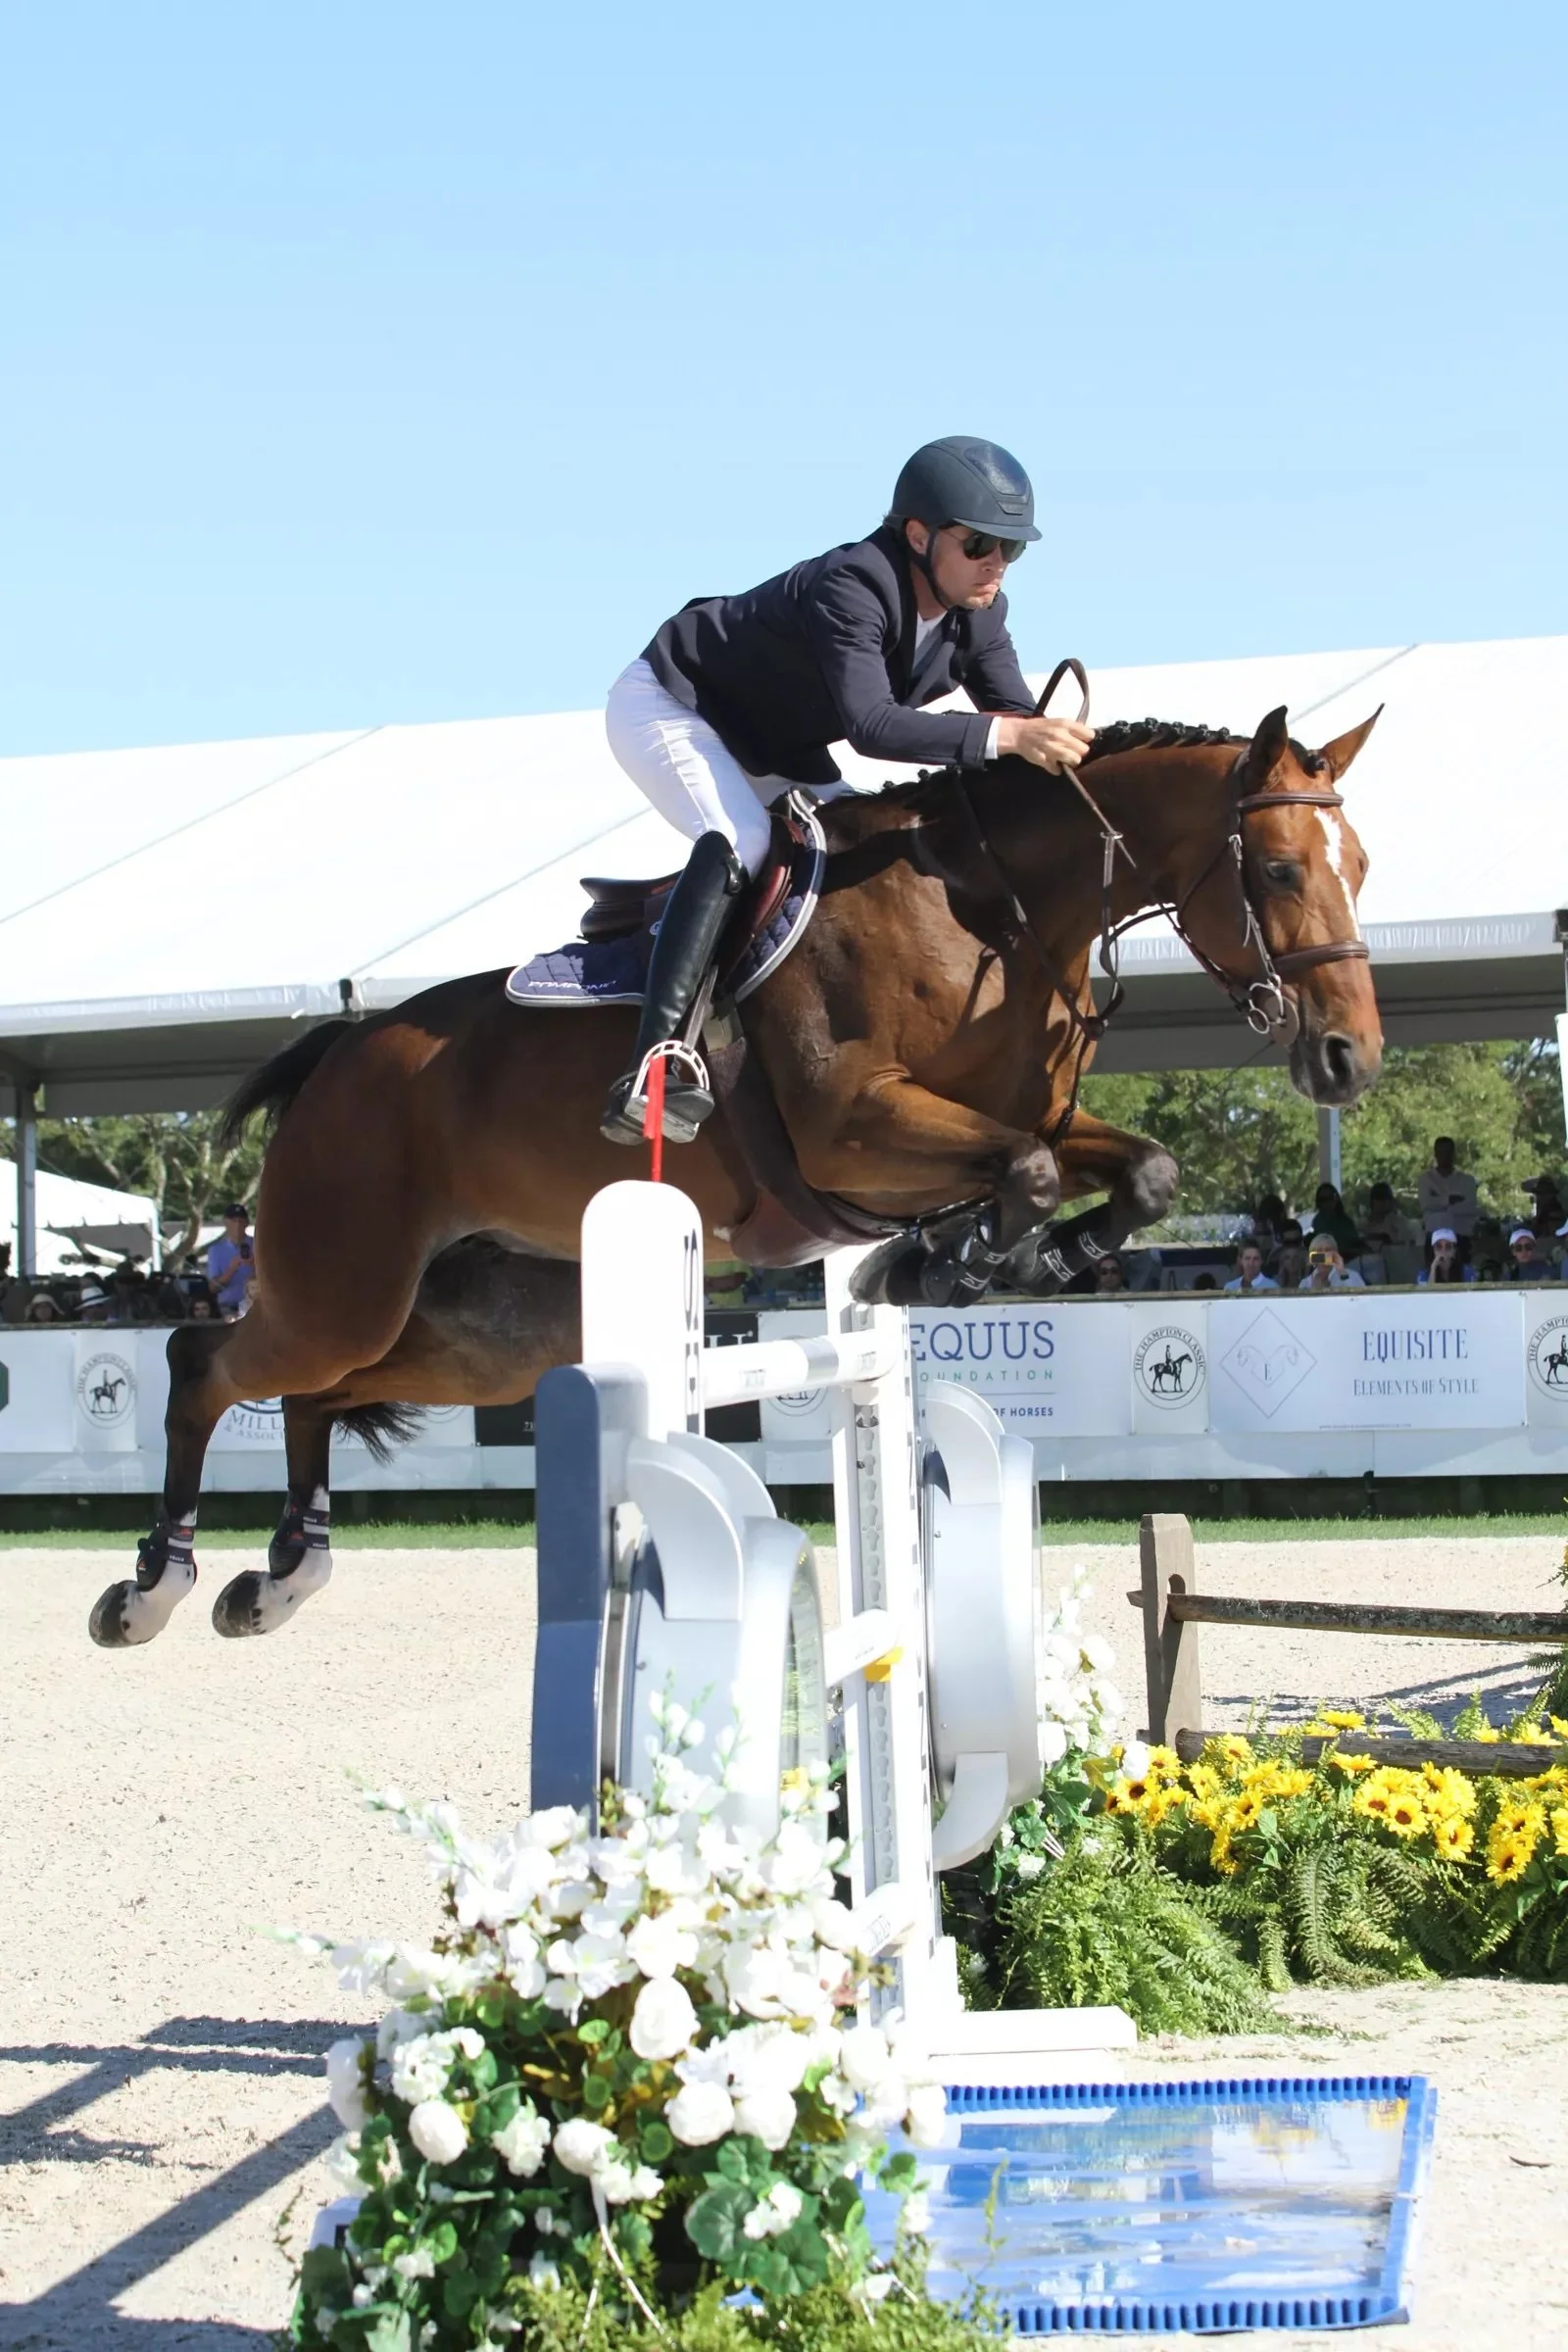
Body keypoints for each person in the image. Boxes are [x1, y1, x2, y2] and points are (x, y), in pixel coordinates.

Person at [597, 437, 1093, 1145]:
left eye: (1012, 550)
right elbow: (871, 725)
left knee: (867, 840)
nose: (996, 566)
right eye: (980, 543)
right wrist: (1012, 738)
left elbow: (1017, 722)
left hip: (774, 742)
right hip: (675, 705)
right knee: (744, 839)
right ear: (918, 535)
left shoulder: (981, 613)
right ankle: (658, 1060)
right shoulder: (854, 585)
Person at [1417, 1137, 1479, 1246]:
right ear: (1435, 1154)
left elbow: (1470, 1207)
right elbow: (1426, 1204)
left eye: (1448, 1152)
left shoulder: (1467, 1180)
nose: (1444, 1156)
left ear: (1453, 1153)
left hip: (1461, 1236)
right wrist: (1450, 1200)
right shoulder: (1426, 1179)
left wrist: (1438, 1203)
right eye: (1441, 1152)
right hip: (1433, 1237)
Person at [207, 1203, 258, 1318]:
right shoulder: (215, 1250)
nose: (238, 1225)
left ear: (247, 1222)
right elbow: (213, 1287)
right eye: (234, 1220)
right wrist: (231, 1270)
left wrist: (254, 1265)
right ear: (226, 1222)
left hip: (255, 1306)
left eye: (241, 1220)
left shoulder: (258, 1246)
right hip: (228, 1307)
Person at [1309, 1183, 1361, 1260]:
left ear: (1336, 1198)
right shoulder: (1317, 1222)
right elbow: (1314, 1257)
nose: (1327, 1202)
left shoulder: (1345, 1221)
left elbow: (1356, 1246)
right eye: (1323, 1199)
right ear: (1318, 1202)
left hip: (1350, 1261)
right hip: (1327, 1261)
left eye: (1331, 1197)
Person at [1300, 1237, 1365, 1291]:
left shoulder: (1352, 1276)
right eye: (1319, 1250)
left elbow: (1358, 1299)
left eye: (1327, 1250)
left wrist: (1342, 1272)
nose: (1324, 1254)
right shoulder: (1305, 1283)